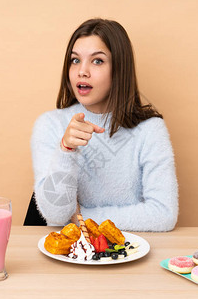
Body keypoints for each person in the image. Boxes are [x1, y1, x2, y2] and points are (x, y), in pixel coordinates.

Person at [30, 18, 178, 231]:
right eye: (75, 60)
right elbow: (55, 215)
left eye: (97, 61)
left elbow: (164, 214)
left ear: (119, 69)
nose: (82, 71)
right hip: (71, 257)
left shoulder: (150, 129)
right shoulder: (50, 125)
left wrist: (82, 217)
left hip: (130, 254)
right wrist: (66, 150)